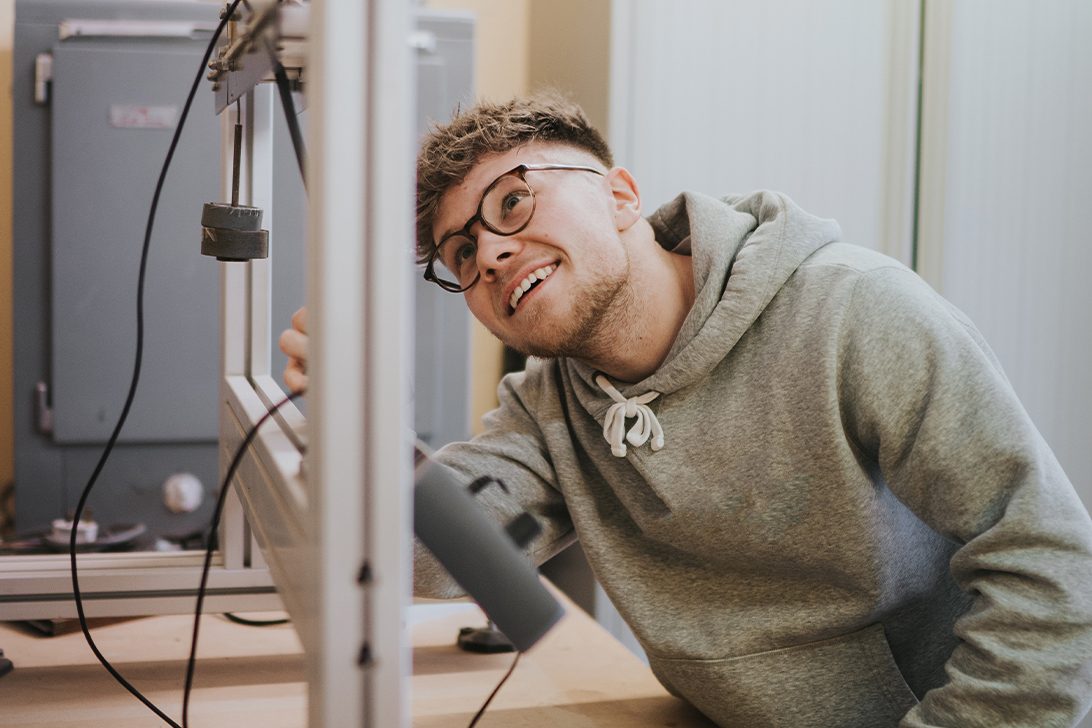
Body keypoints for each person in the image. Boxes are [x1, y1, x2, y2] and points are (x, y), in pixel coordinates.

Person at [279, 93, 1092, 728]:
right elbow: (440, 556)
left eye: (514, 202)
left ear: (622, 196)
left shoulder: (855, 313)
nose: (487, 253)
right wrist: (355, 428)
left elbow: (1052, 566)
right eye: (460, 253)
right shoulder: (550, 411)